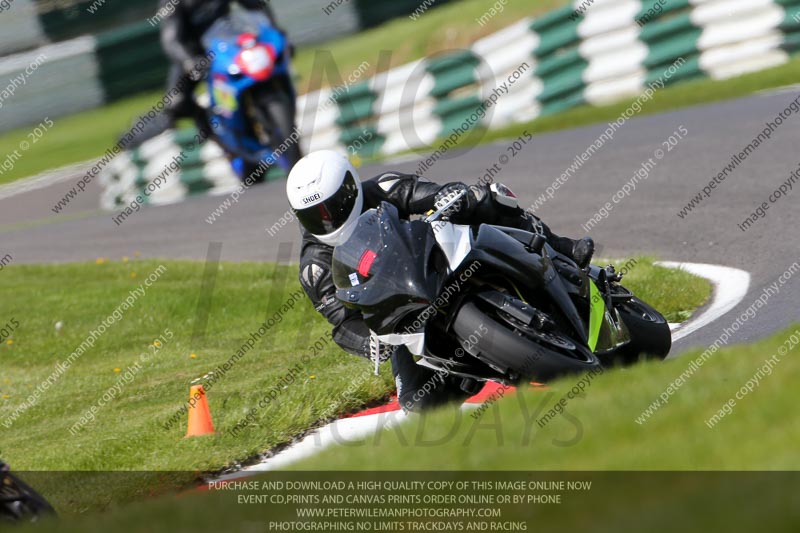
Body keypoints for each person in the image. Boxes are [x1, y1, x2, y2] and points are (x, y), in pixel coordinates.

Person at [286, 150, 594, 412]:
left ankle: (561, 249)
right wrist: (367, 343)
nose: (327, 220)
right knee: (416, 404)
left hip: (434, 260)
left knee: (485, 198)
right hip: (402, 315)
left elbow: (430, 193)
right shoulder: (314, 267)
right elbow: (342, 324)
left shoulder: (383, 188)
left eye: (332, 206)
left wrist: (449, 196)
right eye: (315, 215)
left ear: (351, 188)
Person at [158, 0, 288, 133]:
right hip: (194, 54)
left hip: (228, 43)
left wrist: (273, 29)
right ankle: (208, 124)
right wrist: (189, 61)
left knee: (270, 59)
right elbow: (171, 40)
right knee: (177, 102)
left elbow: (256, 5)